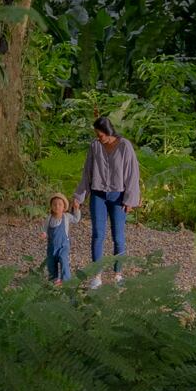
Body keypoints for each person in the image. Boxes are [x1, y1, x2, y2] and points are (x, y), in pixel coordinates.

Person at [80, 115, 140, 282]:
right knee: (97, 235)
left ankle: (118, 274)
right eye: (97, 135)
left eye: (100, 135)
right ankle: (97, 275)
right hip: (98, 195)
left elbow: (132, 174)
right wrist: (79, 197)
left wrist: (130, 199)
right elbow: (87, 172)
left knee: (118, 237)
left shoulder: (125, 146)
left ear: (108, 131)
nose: (98, 138)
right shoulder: (95, 146)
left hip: (118, 197)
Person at [43, 193, 73, 282]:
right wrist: (44, 233)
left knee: (64, 260)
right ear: (51, 206)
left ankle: (66, 280)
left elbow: (76, 219)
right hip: (51, 246)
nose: (57, 206)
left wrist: (76, 209)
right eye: (54, 204)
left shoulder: (66, 217)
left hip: (63, 246)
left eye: (60, 204)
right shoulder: (49, 218)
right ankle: (53, 280)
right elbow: (45, 228)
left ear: (64, 207)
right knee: (51, 263)